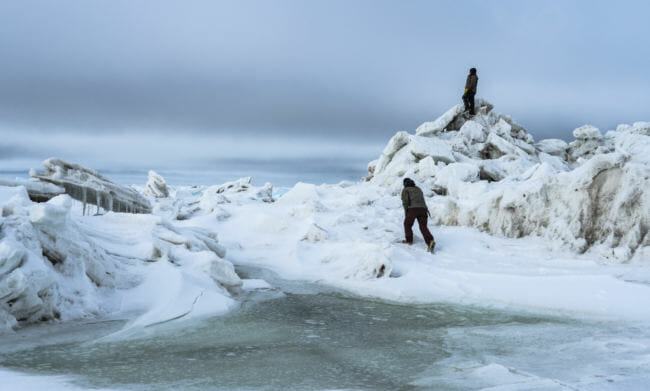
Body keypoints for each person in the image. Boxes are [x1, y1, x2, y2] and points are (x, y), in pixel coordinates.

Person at [401, 178, 435, 252]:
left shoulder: (406, 190)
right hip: (423, 209)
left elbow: (405, 201)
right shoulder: (418, 189)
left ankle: (409, 240)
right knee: (423, 227)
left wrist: (406, 211)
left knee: (407, 224)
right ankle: (430, 241)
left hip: (413, 209)